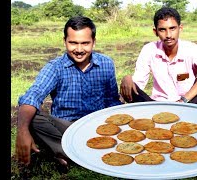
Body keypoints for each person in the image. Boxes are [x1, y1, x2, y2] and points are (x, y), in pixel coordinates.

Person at [15, 16, 122, 168]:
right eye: (73, 43)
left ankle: (70, 154)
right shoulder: (55, 67)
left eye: (85, 43)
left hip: (97, 126)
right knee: (31, 118)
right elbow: (33, 95)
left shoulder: (106, 63)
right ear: (64, 41)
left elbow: (112, 100)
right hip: (66, 128)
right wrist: (22, 132)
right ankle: (70, 151)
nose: (79, 50)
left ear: (94, 42)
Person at [120, 7, 197, 104]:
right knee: (128, 84)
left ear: (180, 28)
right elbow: (138, 82)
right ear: (155, 32)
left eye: (172, 28)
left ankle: (185, 107)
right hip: (158, 104)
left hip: (188, 102)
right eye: (162, 30)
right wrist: (127, 79)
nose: (168, 35)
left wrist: (184, 100)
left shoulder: (190, 49)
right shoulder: (149, 49)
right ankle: (155, 110)